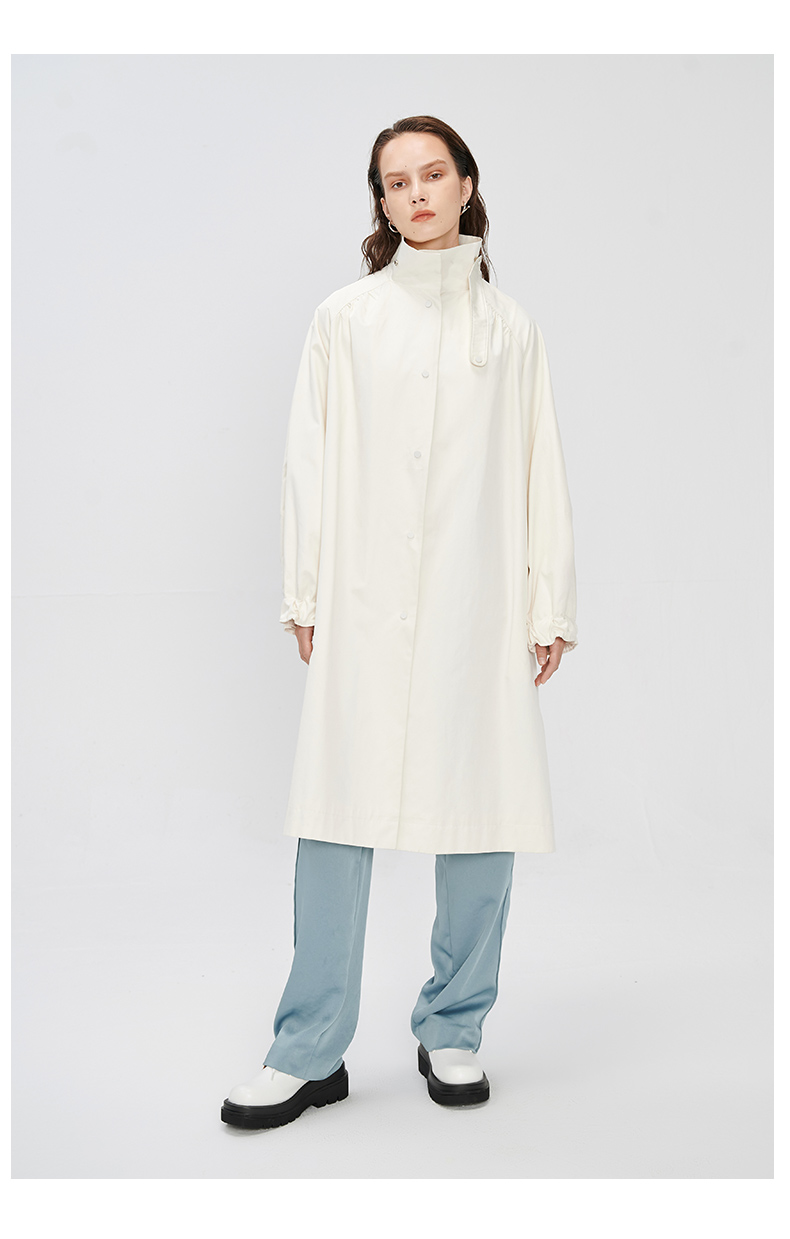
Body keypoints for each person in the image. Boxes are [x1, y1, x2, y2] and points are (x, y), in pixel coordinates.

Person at [221, 115, 578, 1131]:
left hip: (477, 601)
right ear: (381, 202)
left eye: (432, 173)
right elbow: (308, 455)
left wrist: (547, 598)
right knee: (337, 818)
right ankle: (308, 1048)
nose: (416, 193)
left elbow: (540, 464)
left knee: (482, 816)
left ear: (466, 185)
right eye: (395, 181)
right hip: (364, 602)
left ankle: (452, 1025)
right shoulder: (345, 318)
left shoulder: (509, 328)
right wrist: (305, 590)